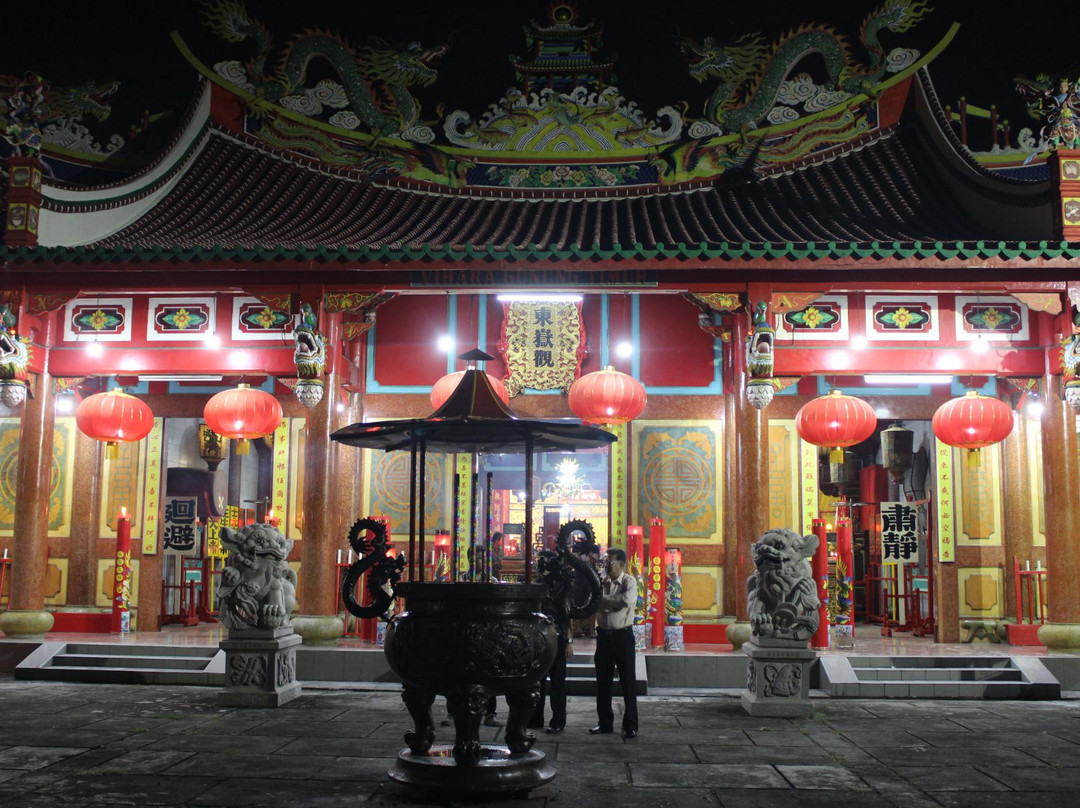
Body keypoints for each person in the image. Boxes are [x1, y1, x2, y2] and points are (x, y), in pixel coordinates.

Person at [590, 547, 638, 738]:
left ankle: (631, 725)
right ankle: (604, 723)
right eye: (605, 562)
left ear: (621, 564)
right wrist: (610, 603)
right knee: (603, 682)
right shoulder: (602, 581)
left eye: (609, 562)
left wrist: (605, 601)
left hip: (623, 637)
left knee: (628, 682)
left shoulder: (630, 581)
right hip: (603, 637)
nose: (606, 565)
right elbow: (593, 601)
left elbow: (626, 600)